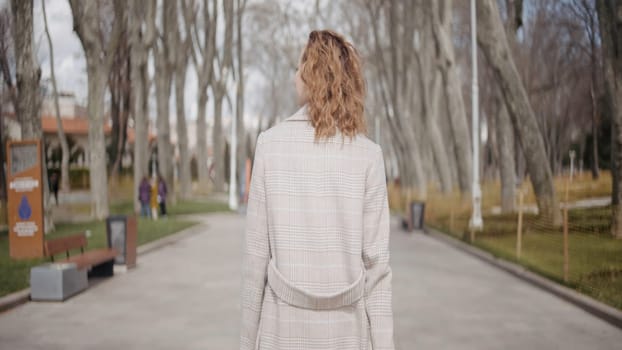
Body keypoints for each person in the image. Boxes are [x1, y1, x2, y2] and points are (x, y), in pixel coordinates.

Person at [240, 30, 395, 350]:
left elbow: (256, 263)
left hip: (282, 332)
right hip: (347, 334)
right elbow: (378, 271)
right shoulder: (369, 155)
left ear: (311, 74)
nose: (295, 75)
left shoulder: (269, 146)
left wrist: (245, 342)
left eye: (300, 66)